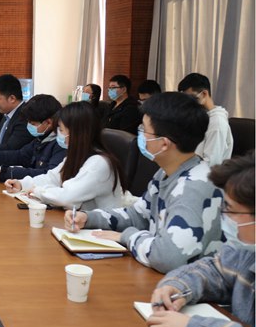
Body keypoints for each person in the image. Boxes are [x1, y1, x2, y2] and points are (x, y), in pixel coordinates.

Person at [66, 92, 224, 273]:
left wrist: (126, 236)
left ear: (164, 143)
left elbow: (167, 257)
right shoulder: (166, 172)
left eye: (144, 130)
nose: (140, 135)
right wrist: (89, 218)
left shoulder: (195, 187)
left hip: (193, 284)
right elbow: (138, 215)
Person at [147, 152, 254, 327]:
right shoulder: (246, 252)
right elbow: (213, 269)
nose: (224, 216)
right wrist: (177, 286)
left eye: (230, 209)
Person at [5, 101, 125, 210]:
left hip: (98, 226)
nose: (59, 134)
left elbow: (68, 197)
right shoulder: (76, 156)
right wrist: (22, 184)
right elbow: (52, 178)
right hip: (76, 220)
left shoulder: (99, 163)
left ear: (77, 132)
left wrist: (38, 191)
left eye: (61, 130)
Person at [0, 94, 65, 183]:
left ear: (48, 122)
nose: (29, 126)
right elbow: (21, 155)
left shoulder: (61, 144)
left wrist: (7, 173)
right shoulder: (41, 138)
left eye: (33, 124)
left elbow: (48, 176)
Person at [177, 73, 233, 166]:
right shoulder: (200, 117)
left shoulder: (217, 123)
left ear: (204, 94)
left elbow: (211, 164)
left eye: (191, 98)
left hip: (205, 173)